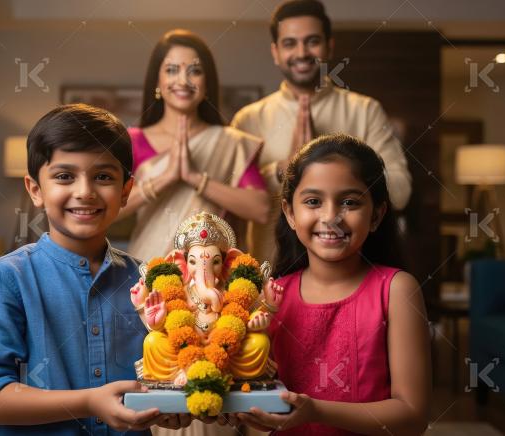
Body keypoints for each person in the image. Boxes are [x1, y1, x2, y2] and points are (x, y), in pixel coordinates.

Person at [0, 104, 191, 435]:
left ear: (126, 191)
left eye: (103, 177)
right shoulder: (6, 279)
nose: (85, 192)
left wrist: (170, 406)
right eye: (65, 176)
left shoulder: (149, 281)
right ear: (35, 190)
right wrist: (88, 403)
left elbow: (163, 374)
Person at [227, 134, 430, 435]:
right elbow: (255, 388)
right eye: (313, 202)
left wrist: (317, 411)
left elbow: (413, 416)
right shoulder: (272, 296)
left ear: (376, 214)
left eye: (349, 202)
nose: (331, 217)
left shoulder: (396, 290)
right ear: (290, 213)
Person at [231, 0, 412, 261]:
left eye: (312, 41)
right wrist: (283, 170)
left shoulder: (364, 110)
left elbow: (400, 191)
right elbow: (233, 202)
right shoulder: (248, 120)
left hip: (351, 271)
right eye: (290, 43)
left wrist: (332, 171)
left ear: (329, 46)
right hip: (270, 272)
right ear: (275, 52)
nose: (302, 52)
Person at [117, 29, 270, 260]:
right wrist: (164, 179)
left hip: (213, 273)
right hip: (147, 270)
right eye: (171, 70)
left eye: (195, 71)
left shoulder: (231, 142)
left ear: (207, 83)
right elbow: (108, 209)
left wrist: (196, 179)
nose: (183, 80)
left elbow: (261, 210)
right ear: (157, 81)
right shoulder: (133, 141)